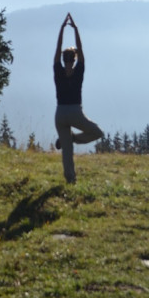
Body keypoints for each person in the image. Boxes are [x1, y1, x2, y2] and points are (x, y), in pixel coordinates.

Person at [54, 13, 103, 183]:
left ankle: (70, 180)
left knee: (67, 152)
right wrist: (75, 29)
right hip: (75, 112)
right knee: (97, 132)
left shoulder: (58, 71)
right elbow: (81, 51)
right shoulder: (79, 72)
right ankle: (74, 138)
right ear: (74, 60)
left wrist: (61, 29)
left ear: (62, 58)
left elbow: (57, 48)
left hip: (59, 113)